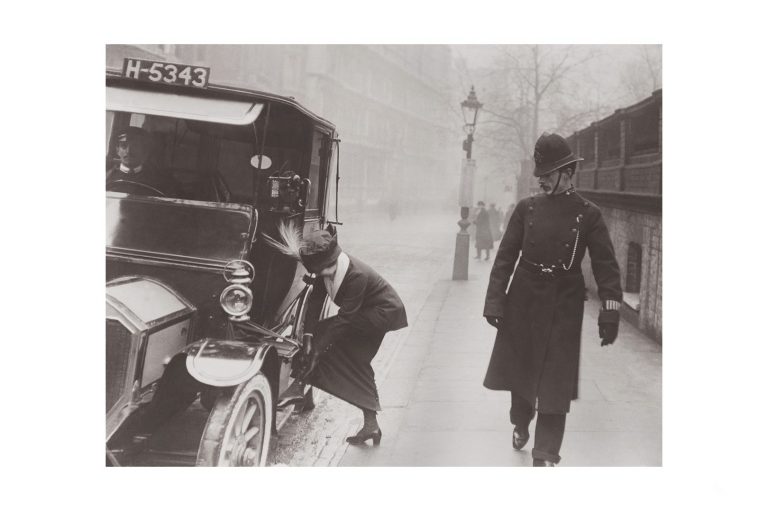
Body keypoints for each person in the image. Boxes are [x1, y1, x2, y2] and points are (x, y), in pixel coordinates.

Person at [482, 132, 622, 467]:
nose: (541, 180)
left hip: (565, 302)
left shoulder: (589, 215)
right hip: (524, 298)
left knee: (556, 380)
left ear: (567, 173)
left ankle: (545, 454)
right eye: (540, 175)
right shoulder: (525, 209)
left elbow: (606, 266)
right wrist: (494, 301)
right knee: (522, 372)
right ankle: (520, 421)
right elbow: (505, 258)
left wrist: (610, 311)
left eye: (547, 174)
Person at [271, 228, 408, 445]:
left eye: (326, 269)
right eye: (320, 271)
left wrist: (317, 347)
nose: (324, 275)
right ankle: (371, 425)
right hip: (366, 314)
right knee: (357, 361)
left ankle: (299, 384)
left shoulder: (356, 276)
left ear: (334, 259)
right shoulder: (325, 269)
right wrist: (307, 338)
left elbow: (345, 320)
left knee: (328, 334)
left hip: (383, 314)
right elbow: (315, 303)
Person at [106, 126, 174, 196]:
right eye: (124, 146)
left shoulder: (158, 180)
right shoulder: (107, 177)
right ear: (117, 150)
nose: (129, 151)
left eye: (135, 146)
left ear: (144, 151)